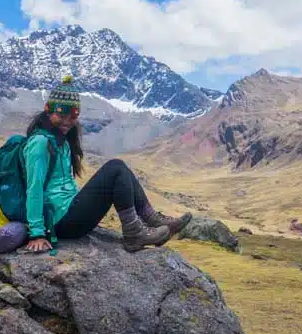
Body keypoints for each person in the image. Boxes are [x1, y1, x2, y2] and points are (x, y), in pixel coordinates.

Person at [21, 76, 191, 254]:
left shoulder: (61, 141)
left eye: (72, 117)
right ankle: (134, 233)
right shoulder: (40, 142)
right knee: (115, 168)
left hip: (70, 212)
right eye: (61, 115)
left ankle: (153, 220)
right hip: (59, 222)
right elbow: (34, 188)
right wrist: (37, 233)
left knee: (121, 168)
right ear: (48, 111)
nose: (67, 122)